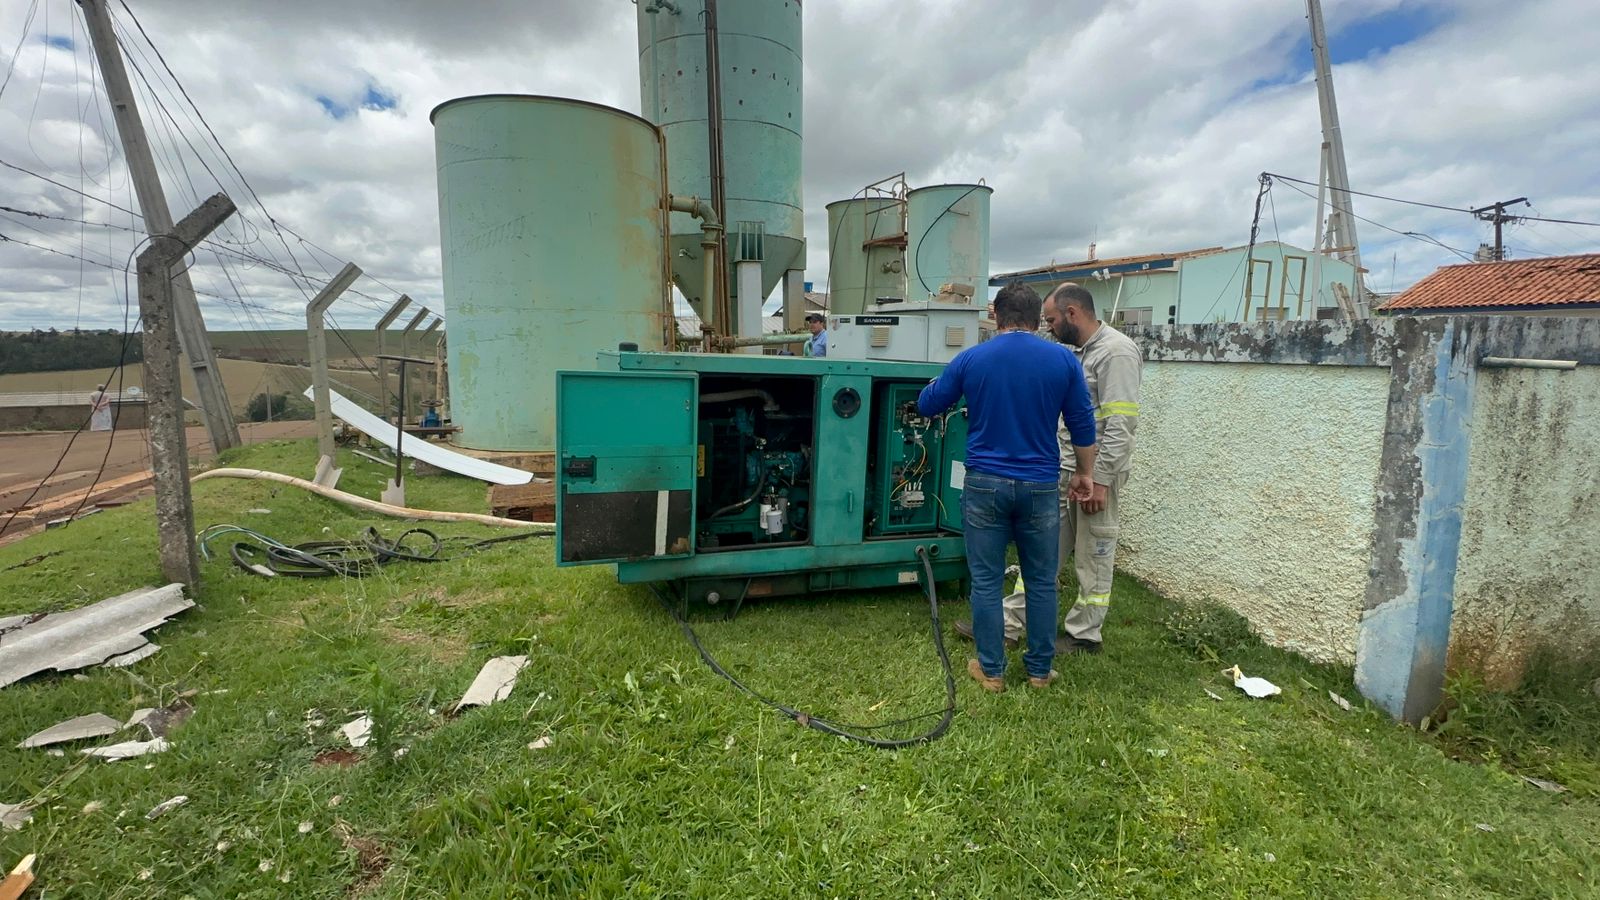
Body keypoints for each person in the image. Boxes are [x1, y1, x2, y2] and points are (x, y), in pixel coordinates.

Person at [918, 282, 1098, 692]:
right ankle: (1039, 671)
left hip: (984, 484)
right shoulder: (1063, 360)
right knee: (1040, 580)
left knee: (985, 580)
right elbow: (1083, 423)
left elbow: (929, 403)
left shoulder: (972, 358)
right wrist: (1084, 474)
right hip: (1040, 486)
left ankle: (992, 671)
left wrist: (936, 383)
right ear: (1037, 319)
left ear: (996, 315)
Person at [1001, 282, 1143, 655]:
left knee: (1093, 555)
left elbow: (1121, 425)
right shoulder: (1078, 354)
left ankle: (1084, 635)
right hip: (1064, 472)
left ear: (1072, 313)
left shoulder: (1116, 353)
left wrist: (1100, 480)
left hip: (1095, 478)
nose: (1047, 327)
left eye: (1050, 320)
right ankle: (1010, 624)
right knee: (1039, 551)